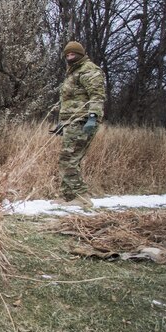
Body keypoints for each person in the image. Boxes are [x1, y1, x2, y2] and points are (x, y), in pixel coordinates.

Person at [53, 41, 106, 208]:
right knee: (67, 158)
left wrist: (92, 117)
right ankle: (67, 196)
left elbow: (97, 95)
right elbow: (69, 101)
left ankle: (81, 196)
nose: (70, 57)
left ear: (81, 54)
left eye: (73, 54)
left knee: (68, 158)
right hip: (71, 121)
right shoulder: (73, 72)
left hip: (82, 121)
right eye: (67, 55)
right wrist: (62, 122)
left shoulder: (89, 70)